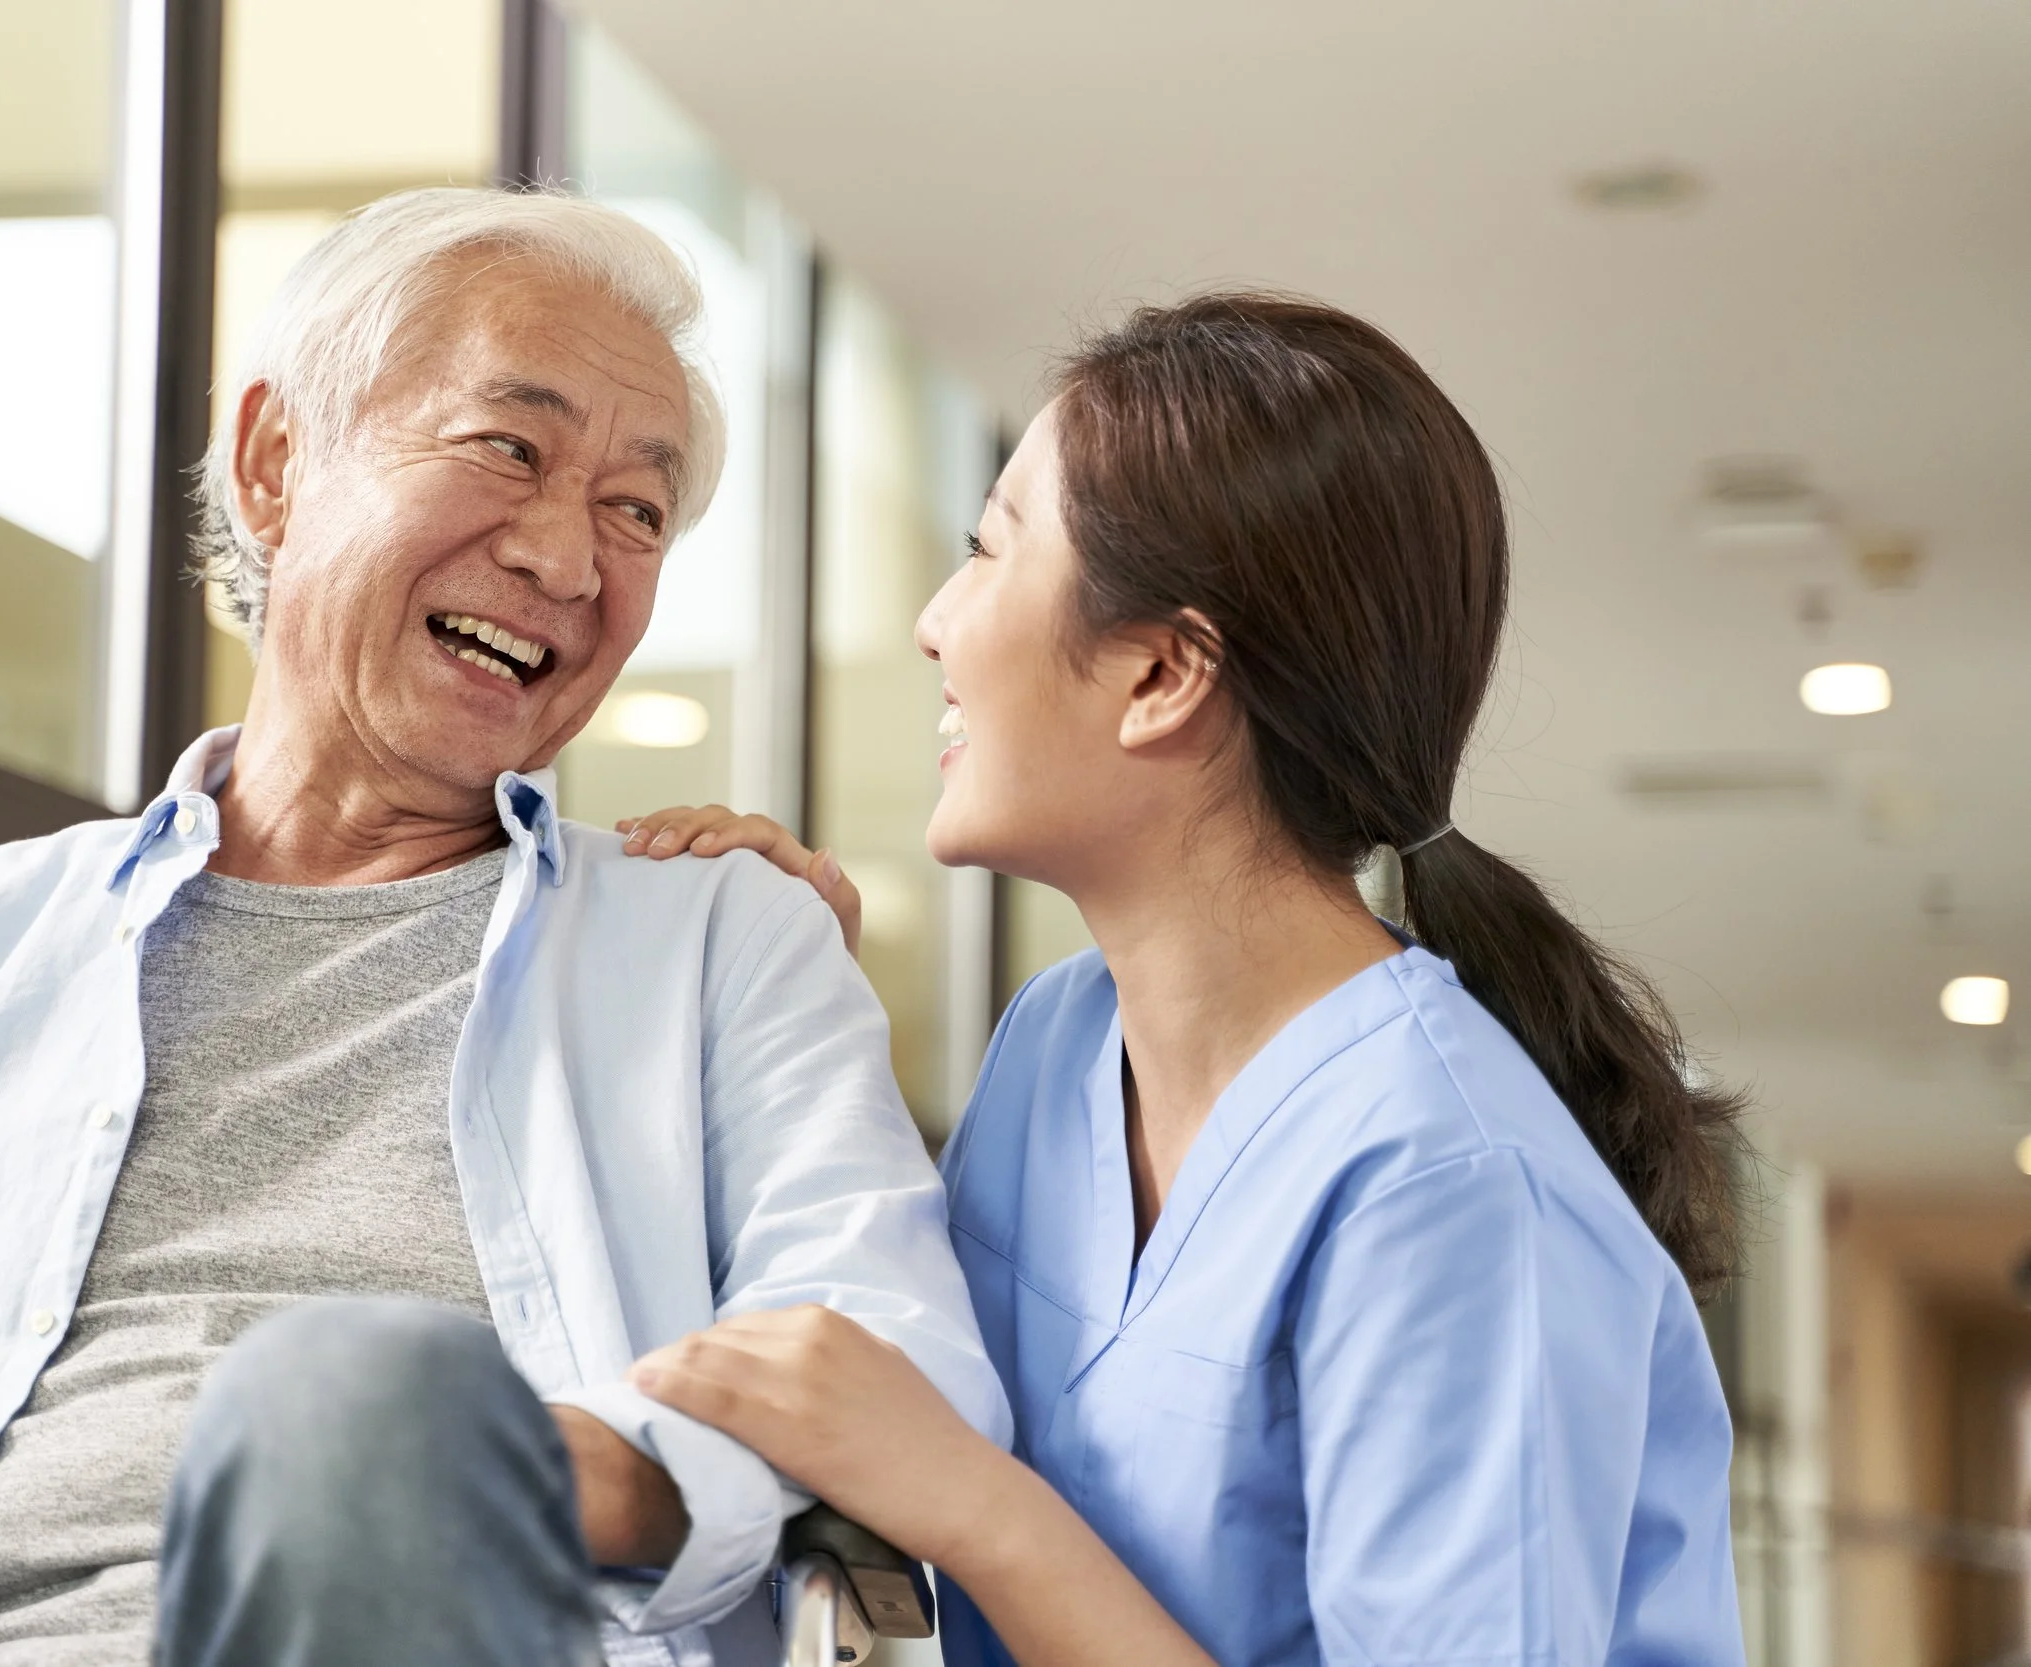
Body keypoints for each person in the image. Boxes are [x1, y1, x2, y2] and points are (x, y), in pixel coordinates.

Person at [0, 187, 1007, 1667]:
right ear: (276, 462)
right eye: (509, 447)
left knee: (362, 1389)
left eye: (637, 509)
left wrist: (524, 1465)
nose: (571, 559)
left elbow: (885, 1344)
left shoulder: (719, 936)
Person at [616, 293, 1747, 1666]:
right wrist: (782, 1027)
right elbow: (869, 1379)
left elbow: (939, 1468)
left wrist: (981, 1511)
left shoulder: (1449, 1183)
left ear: (1160, 671)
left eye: (988, 550)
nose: (932, 620)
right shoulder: (1055, 1046)